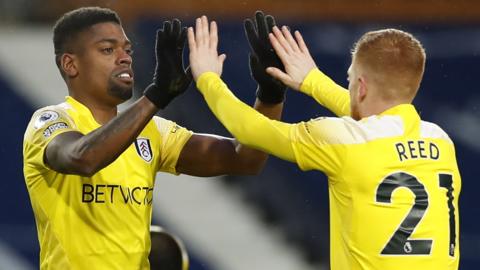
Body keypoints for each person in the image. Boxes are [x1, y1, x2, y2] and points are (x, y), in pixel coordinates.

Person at [188, 16, 461, 269]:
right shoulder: (440, 141)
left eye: (351, 79)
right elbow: (377, 118)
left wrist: (207, 79)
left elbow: (252, 130)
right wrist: (313, 82)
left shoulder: (341, 140)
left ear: (362, 87)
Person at [23, 7, 285, 269]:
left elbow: (245, 159)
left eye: (127, 50)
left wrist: (270, 95)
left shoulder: (152, 131)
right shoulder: (50, 121)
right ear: (71, 64)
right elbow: (82, 158)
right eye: (107, 49)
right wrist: (155, 96)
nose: (124, 58)